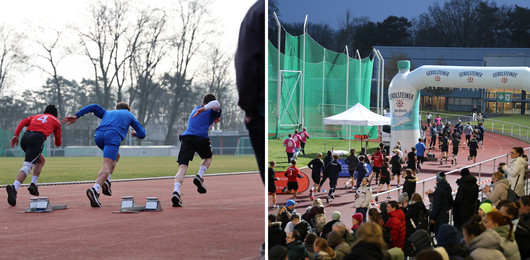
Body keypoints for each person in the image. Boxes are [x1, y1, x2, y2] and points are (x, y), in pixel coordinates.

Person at [62, 102, 146, 207]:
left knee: (116, 156)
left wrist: (76, 115)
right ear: (128, 110)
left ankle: (107, 180)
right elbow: (142, 134)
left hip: (98, 136)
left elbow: (94, 107)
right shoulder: (129, 115)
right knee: (107, 165)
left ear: (117, 108)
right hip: (112, 135)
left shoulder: (108, 112)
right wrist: (135, 134)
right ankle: (95, 189)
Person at [6, 105, 62, 206]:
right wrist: (55, 137)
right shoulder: (56, 121)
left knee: (41, 160)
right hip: (37, 138)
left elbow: (23, 122)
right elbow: (58, 143)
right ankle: (14, 187)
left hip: (25, 137)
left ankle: (33, 184)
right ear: (56, 114)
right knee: (28, 166)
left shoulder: (36, 116)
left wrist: (16, 135)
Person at [235, 0, 264, 182]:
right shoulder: (258, 13)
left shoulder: (255, 14)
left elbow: (245, 63)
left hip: (259, 111)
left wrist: (249, 109)